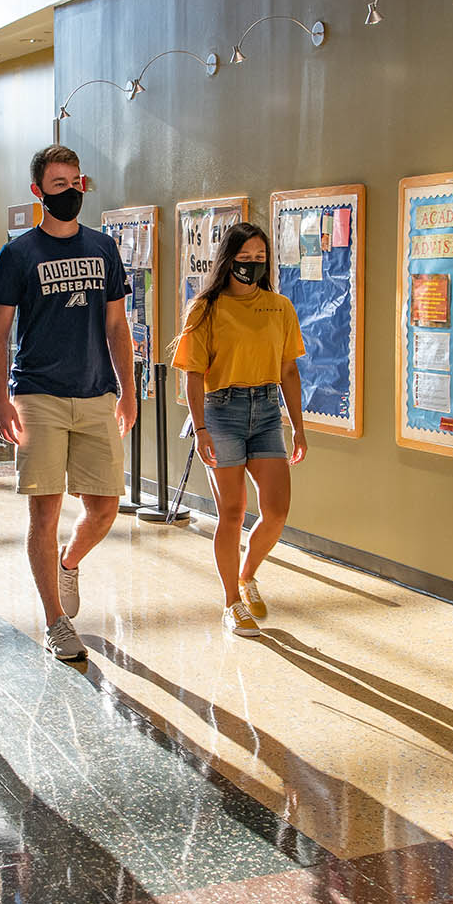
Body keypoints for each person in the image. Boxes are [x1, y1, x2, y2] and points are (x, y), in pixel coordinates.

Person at [0, 145, 138, 663]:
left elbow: (117, 326)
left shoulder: (104, 249)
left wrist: (129, 390)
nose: (70, 190)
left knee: (104, 506)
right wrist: (2, 399)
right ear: (38, 192)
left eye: (76, 182)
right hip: (38, 396)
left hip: (97, 392)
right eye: (58, 184)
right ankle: (55, 621)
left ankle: (68, 563)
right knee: (44, 512)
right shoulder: (18, 254)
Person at [171, 222, 308, 637]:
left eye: (259, 258)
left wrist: (299, 428)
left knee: (277, 511)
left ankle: (247, 575)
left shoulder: (279, 307)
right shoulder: (206, 308)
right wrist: (200, 429)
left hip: (266, 411)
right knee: (231, 512)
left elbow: (289, 370)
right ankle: (231, 601)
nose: (252, 265)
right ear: (228, 260)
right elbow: (193, 375)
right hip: (221, 412)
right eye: (244, 258)